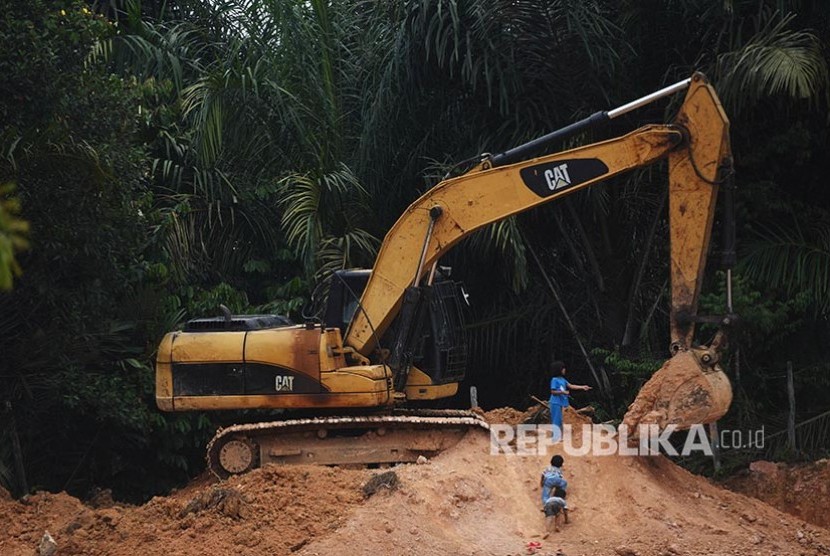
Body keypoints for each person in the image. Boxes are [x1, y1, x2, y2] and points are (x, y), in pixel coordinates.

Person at [548, 360, 591, 439]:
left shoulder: (562, 379)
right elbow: (553, 391)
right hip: (555, 402)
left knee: (561, 419)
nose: (564, 370)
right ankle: (555, 437)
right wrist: (563, 392)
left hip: (561, 402)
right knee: (556, 419)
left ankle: (559, 436)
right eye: (563, 368)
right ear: (559, 370)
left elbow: (571, 386)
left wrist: (582, 387)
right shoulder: (554, 380)